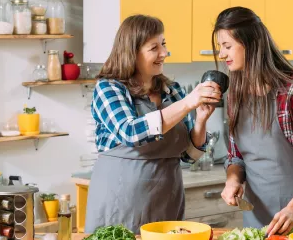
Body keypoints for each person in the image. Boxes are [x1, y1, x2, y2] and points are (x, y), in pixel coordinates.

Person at [84, 14, 221, 234]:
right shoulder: (109, 88)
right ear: (132, 52)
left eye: (164, 44)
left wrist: (201, 120)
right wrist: (187, 104)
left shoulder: (173, 90)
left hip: (167, 200)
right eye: (154, 47)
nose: (163, 53)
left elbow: (188, 155)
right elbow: (131, 132)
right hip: (121, 202)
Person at [213, 7, 293, 236]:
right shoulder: (235, 95)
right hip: (256, 218)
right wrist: (233, 180)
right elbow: (236, 157)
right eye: (220, 47)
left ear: (250, 44)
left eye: (227, 46)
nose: (221, 54)